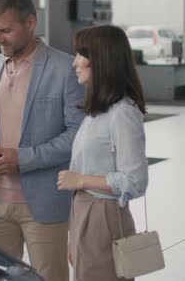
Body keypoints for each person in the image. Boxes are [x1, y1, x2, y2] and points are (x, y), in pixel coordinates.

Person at [0, 0, 85, 281]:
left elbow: (78, 134)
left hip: (44, 203)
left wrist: (23, 158)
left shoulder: (65, 68)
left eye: (6, 30)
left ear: (30, 23)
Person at [57, 25, 148, 281]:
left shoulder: (123, 113)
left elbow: (136, 181)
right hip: (85, 210)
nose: (74, 62)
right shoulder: (100, 110)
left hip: (102, 215)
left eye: (80, 54)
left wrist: (82, 180)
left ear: (101, 60)